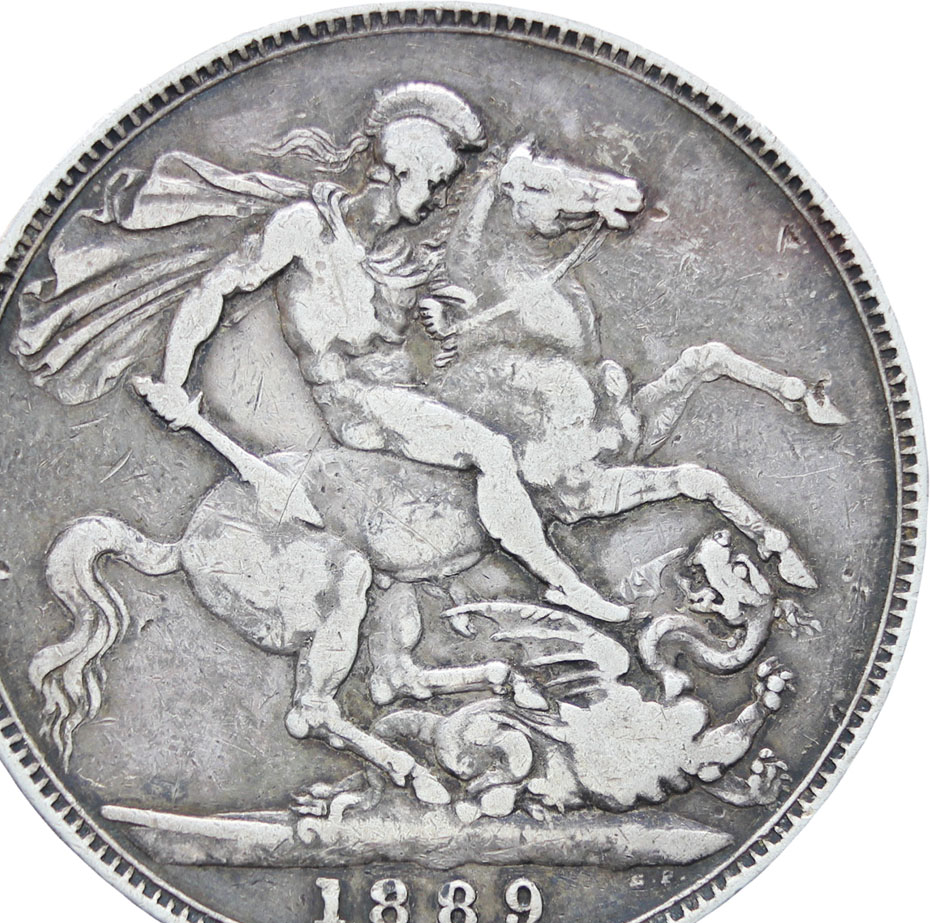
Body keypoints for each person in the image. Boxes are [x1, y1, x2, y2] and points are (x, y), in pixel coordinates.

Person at [132, 83, 630, 623]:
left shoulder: (404, 256)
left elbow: (427, 337)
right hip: (357, 403)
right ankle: (560, 582)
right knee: (489, 448)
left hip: (406, 391)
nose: (440, 199)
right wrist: (172, 380)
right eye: (436, 183)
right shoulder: (307, 229)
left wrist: (444, 319)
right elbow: (216, 289)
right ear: (404, 170)